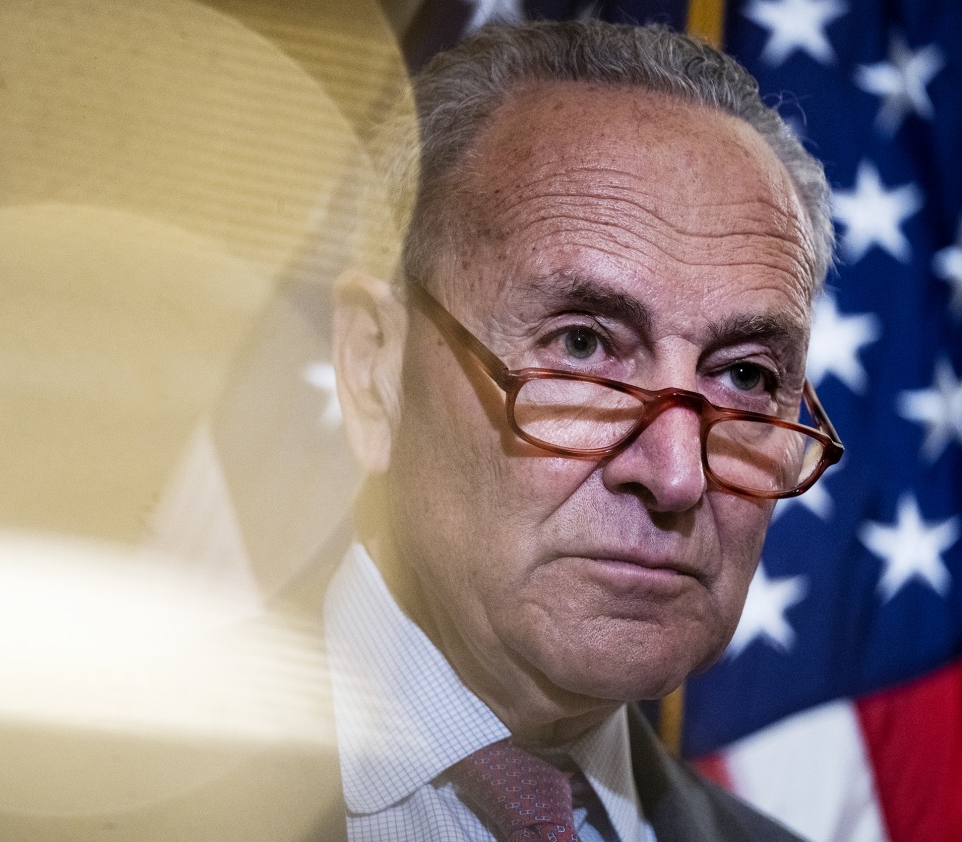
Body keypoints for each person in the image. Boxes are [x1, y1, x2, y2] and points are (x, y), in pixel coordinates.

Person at [326, 19, 844, 842]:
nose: (676, 476)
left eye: (745, 376)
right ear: (373, 371)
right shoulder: (76, 793)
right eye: (583, 346)